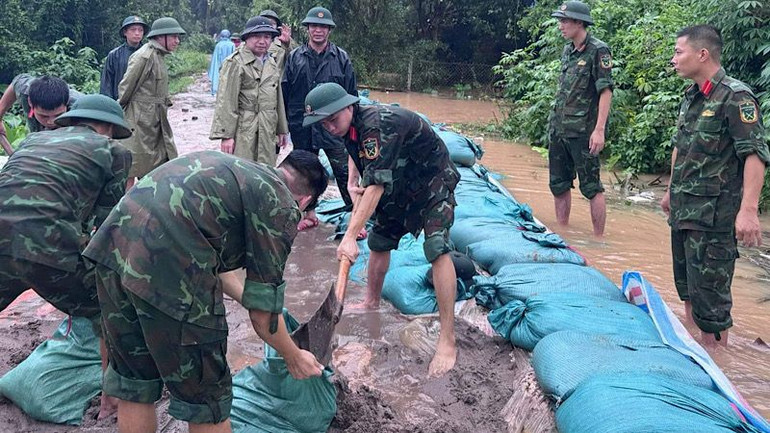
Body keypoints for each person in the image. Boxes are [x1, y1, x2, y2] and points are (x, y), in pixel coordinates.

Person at [83, 150, 328, 433]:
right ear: (305, 201)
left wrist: (253, 300)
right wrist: (293, 356)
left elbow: (215, 258)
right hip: (170, 271)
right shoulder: (281, 206)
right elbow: (263, 319)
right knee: (208, 403)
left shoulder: (238, 173)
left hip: (112, 254)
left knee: (135, 386)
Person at [303, 82, 461, 377]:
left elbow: (375, 185)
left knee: (436, 248)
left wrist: (350, 236)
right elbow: (356, 151)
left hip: (431, 181)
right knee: (379, 242)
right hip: (398, 182)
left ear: (348, 107)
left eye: (332, 120)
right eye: (323, 124)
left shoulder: (376, 124)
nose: (330, 128)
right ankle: (371, 302)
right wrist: (352, 178)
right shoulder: (348, 125)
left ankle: (447, 338)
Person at [0, 94, 133, 419]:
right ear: (109, 128)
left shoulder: (33, 140)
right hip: (48, 247)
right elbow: (107, 227)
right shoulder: (114, 152)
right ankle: (111, 399)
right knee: (107, 308)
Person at [661, 24, 770, 347]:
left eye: (678, 52)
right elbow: (681, 147)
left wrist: (748, 211)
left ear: (702, 54)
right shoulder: (692, 96)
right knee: (688, 293)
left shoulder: (735, 97)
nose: (673, 59)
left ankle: (719, 364)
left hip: (713, 220)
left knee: (712, 309)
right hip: (684, 212)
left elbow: (755, 155)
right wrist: (670, 190)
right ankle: (697, 356)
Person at [283, 6, 362, 236]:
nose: (318, 30)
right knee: (303, 173)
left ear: (329, 30)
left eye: (323, 26)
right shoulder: (295, 57)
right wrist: (284, 126)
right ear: (308, 28)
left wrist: (354, 127)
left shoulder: (341, 58)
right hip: (303, 126)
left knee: (345, 171)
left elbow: (351, 94)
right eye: (314, 26)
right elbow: (285, 93)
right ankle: (307, 214)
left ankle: (356, 219)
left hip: (335, 127)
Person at [548, 1, 613, 237]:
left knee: (592, 187)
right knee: (559, 184)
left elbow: (605, 90)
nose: (560, 26)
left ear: (578, 22)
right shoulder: (568, 50)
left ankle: (598, 240)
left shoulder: (598, 50)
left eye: (564, 21)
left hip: (583, 132)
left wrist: (599, 130)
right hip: (559, 129)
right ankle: (562, 233)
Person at [210, 17, 288, 165]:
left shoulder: (271, 62)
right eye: (257, 36)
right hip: (244, 127)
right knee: (243, 168)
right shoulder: (235, 62)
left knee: (266, 168)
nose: (262, 41)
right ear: (246, 38)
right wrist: (227, 136)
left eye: (267, 37)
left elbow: (277, 98)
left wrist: (281, 129)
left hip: (267, 125)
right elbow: (226, 101)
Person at [118, 17, 186, 188]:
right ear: (161, 36)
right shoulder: (144, 56)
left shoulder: (158, 56)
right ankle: (127, 202)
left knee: (155, 165)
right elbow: (126, 88)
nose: (177, 41)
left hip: (153, 119)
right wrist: (119, 114)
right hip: (139, 122)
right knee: (132, 166)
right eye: (174, 36)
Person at [0, 74, 82, 135]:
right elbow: (17, 82)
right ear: (30, 102)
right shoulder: (25, 89)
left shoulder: (81, 107)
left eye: (58, 115)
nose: (51, 122)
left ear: (67, 102)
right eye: (44, 116)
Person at [100, 15, 149, 100]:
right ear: (125, 32)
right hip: (120, 101)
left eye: (140, 30)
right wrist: (109, 104)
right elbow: (106, 85)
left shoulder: (148, 53)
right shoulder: (114, 55)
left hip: (142, 102)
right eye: (133, 30)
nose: (137, 33)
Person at [207, 29, 236, 95]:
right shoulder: (232, 45)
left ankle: (217, 90)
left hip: (219, 66)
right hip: (229, 66)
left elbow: (215, 58)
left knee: (219, 79)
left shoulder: (218, 45)